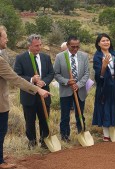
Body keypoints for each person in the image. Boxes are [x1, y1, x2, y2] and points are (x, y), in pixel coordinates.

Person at [0, 26, 50, 169]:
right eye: (5, 36)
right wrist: (38, 89)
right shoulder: (3, 60)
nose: (7, 39)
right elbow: (16, 79)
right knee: (1, 131)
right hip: (1, 104)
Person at [14, 34, 54, 149]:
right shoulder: (20, 58)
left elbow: (51, 73)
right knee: (30, 121)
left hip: (44, 94)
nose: (39, 47)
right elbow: (17, 75)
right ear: (29, 46)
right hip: (28, 96)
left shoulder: (45, 57)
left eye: (40, 45)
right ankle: (32, 142)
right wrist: (31, 79)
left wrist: (44, 82)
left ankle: (44, 140)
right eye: (36, 45)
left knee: (44, 119)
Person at [53, 35, 90, 142]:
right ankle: (65, 136)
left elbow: (87, 74)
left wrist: (78, 84)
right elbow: (56, 74)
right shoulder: (60, 56)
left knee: (80, 114)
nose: (75, 49)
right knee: (65, 115)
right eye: (72, 47)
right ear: (68, 45)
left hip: (80, 90)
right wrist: (66, 81)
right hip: (66, 90)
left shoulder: (84, 56)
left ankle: (82, 133)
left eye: (77, 47)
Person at [92, 33, 115, 141]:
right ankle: (106, 134)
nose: (106, 42)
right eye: (103, 41)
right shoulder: (97, 56)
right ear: (98, 43)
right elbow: (99, 76)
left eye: (107, 40)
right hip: (105, 87)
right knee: (105, 107)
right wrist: (104, 66)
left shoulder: (114, 54)